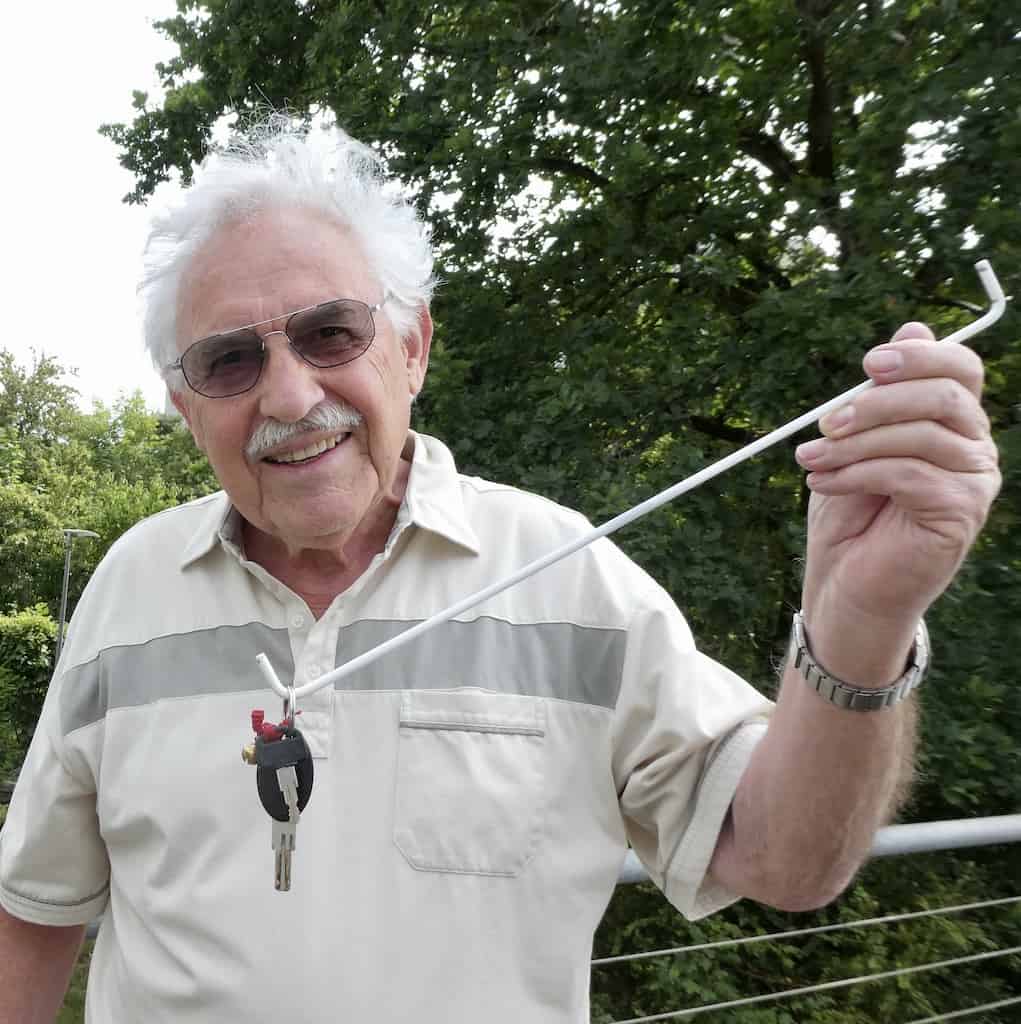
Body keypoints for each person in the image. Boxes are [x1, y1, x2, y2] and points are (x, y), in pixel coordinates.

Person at [0, 120, 1001, 1023]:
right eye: (229, 361)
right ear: (187, 411)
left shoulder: (567, 576)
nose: (291, 395)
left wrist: (860, 620)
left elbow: (785, 859)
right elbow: (35, 906)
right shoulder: (129, 588)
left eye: (330, 332)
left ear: (411, 347)